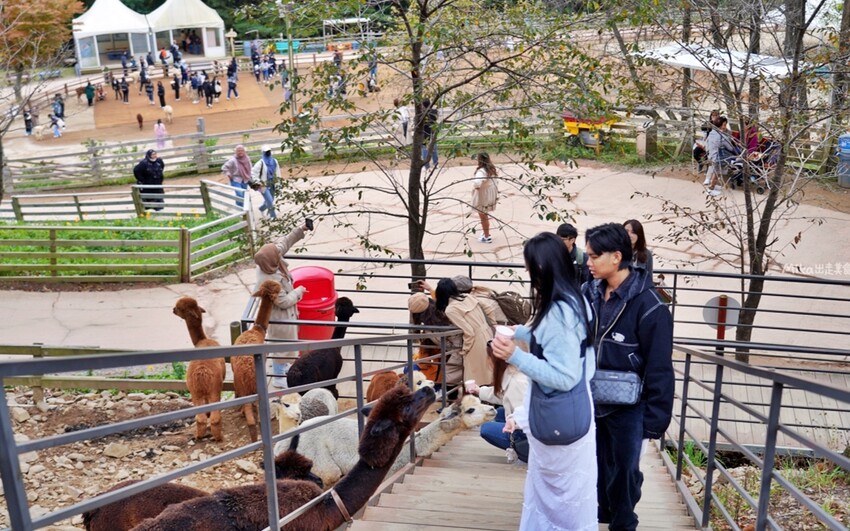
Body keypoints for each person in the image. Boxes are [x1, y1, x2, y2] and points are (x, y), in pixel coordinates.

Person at [490, 231, 597, 530]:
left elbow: (564, 376)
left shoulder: (558, 312)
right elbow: (570, 353)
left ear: (542, 268)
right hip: (576, 410)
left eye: (529, 266)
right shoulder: (576, 300)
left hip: (558, 417)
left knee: (555, 503)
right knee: (570, 499)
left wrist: (515, 355)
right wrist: (522, 333)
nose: (527, 273)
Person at [581, 223, 674, 531]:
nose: (588, 262)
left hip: (629, 404)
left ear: (616, 257)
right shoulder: (588, 293)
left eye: (594, 256)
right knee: (595, 467)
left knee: (624, 472)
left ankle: (624, 522)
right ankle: (604, 512)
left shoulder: (650, 305)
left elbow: (660, 366)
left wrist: (655, 419)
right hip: (589, 399)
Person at [253, 221, 313, 387]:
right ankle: (279, 377)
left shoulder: (270, 259)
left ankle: (284, 369)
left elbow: (284, 242)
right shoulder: (268, 279)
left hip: (287, 316)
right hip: (280, 318)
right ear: (271, 259)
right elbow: (284, 301)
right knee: (282, 347)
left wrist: (301, 229)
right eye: (276, 254)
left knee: (286, 346)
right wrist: (299, 291)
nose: (279, 253)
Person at [466, 346, 529, 459]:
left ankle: (521, 450)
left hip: (526, 435)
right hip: (524, 424)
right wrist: (478, 390)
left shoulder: (517, 383)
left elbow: (526, 417)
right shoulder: (514, 372)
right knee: (499, 412)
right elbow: (503, 395)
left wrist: (513, 424)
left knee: (486, 428)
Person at [435, 278, 495, 387]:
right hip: (488, 334)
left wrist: (465, 349)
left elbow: (469, 332)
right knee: (489, 372)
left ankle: (478, 401)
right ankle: (492, 400)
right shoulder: (468, 297)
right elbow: (489, 308)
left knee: (474, 377)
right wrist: (492, 325)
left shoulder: (451, 309)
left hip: (476, 342)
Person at [470, 152, 498, 243]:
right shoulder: (491, 168)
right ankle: (486, 232)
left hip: (483, 196)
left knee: (483, 216)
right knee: (484, 214)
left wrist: (476, 187)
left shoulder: (481, 171)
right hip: (490, 194)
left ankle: (487, 236)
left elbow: (477, 182)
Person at [706, 116, 737, 196]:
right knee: (716, 173)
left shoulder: (712, 133)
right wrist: (736, 150)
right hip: (718, 156)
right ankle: (710, 189)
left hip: (712, 155)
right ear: (719, 125)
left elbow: (707, 143)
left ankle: (713, 186)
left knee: (716, 171)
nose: (725, 127)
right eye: (724, 125)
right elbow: (730, 147)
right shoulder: (722, 136)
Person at [251, 145, 280, 219]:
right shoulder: (260, 163)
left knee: (271, 199)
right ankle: (273, 217)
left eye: (269, 151)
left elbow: (278, 172)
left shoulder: (274, 161)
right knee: (270, 201)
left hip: (272, 183)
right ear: (263, 152)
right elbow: (253, 173)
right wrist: (258, 182)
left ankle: (261, 208)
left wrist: (278, 183)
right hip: (263, 185)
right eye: (266, 152)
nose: (268, 153)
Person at [421, 98, 439, 169]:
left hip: (424, 132)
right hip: (432, 131)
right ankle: (435, 163)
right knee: (434, 147)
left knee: (424, 148)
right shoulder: (434, 112)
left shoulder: (422, 113)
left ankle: (426, 165)